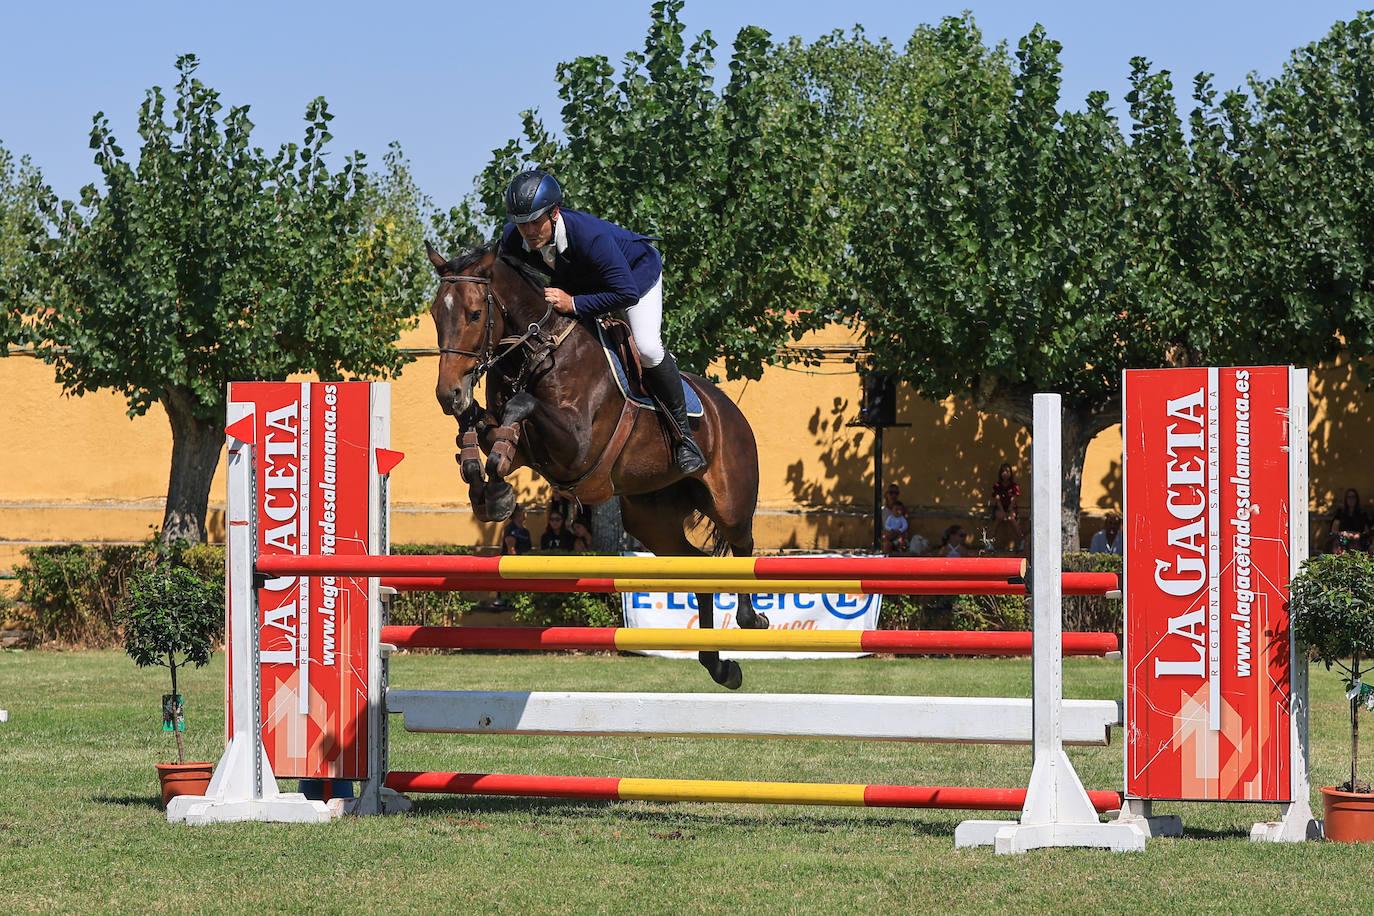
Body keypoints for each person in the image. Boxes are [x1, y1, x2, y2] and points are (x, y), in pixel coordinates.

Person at [498, 169, 706, 475]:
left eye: (534, 221)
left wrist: (574, 303)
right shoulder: (512, 240)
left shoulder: (590, 237)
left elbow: (625, 293)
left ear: (554, 213)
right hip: (580, 279)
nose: (527, 231)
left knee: (647, 347)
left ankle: (684, 438)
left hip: (634, 277)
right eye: (520, 223)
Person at [990, 463, 1025, 552]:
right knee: (999, 517)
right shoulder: (997, 485)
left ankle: (1022, 541)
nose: (1005, 473)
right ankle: (989, 542)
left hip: (1011, 508)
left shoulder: (1014, 486)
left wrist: (1009, 510)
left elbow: (1014, 499)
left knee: (1011, 518)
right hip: (1000, 508)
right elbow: (997, 499)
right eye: (1003, 471)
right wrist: (1002, 512)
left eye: (1007, 471)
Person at [1331, 487, 1369, 553]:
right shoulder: (1340, 513)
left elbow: (1367, 531)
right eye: (1349, 497)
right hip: (1343, 539)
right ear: (1346, 499)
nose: (1351, 499)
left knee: (1354, 545)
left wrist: (1358, 535)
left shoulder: (1362, 514)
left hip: (1357, 540)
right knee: (1337, 545)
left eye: (1353, 497)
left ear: (1357, 499)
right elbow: (1334, 530)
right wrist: (1343, 534)